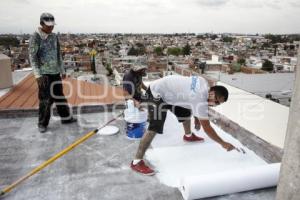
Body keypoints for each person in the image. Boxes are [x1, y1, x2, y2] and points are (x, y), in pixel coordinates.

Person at [130, 75, 237, 175]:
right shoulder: (199, 99)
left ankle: (188, 136)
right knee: (155, 127)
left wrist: (197, 117)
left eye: (218, 103)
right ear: (212, 92)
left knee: (185, 112)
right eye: (216, 100)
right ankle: (137, 162)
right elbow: (207, 127)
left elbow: (193, 100)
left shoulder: (203, 82)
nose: (215, 104)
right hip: (156, 94)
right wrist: (223, 143)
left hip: (168, 91)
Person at [29, 12, 76, 133]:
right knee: (45, 100)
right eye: (48, 25)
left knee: (59, 97)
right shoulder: (36, 37)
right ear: (41, 24)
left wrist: (62, 69)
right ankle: (42, 123)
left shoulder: (54, 37)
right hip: (44, 74)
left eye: (52, 25)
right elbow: (33, 57)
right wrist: (37, 75)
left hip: (55, 73)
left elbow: (58, 55)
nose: (51, 27)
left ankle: (66, 118)